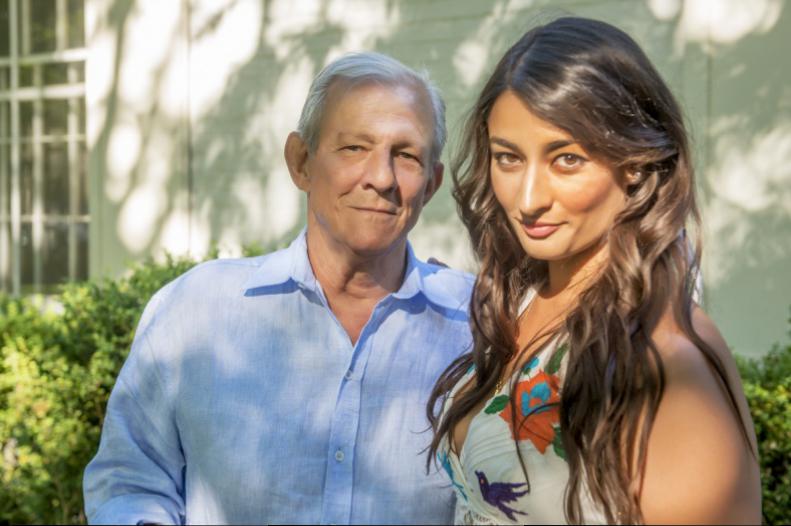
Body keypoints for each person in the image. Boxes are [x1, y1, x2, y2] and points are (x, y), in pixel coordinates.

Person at [84, 52, 474, 525]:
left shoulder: (477, 329)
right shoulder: (195, 312)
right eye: (355, 148)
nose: (381, 177)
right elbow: (129, 483)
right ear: (301, 162)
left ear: (431, 184)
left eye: (407, 155)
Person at [427, 17, 762, 525]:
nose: (529, 199)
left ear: (634, 161)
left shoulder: (664, 357)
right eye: (508, 158)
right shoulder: (523, 300)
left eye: (566, 159)